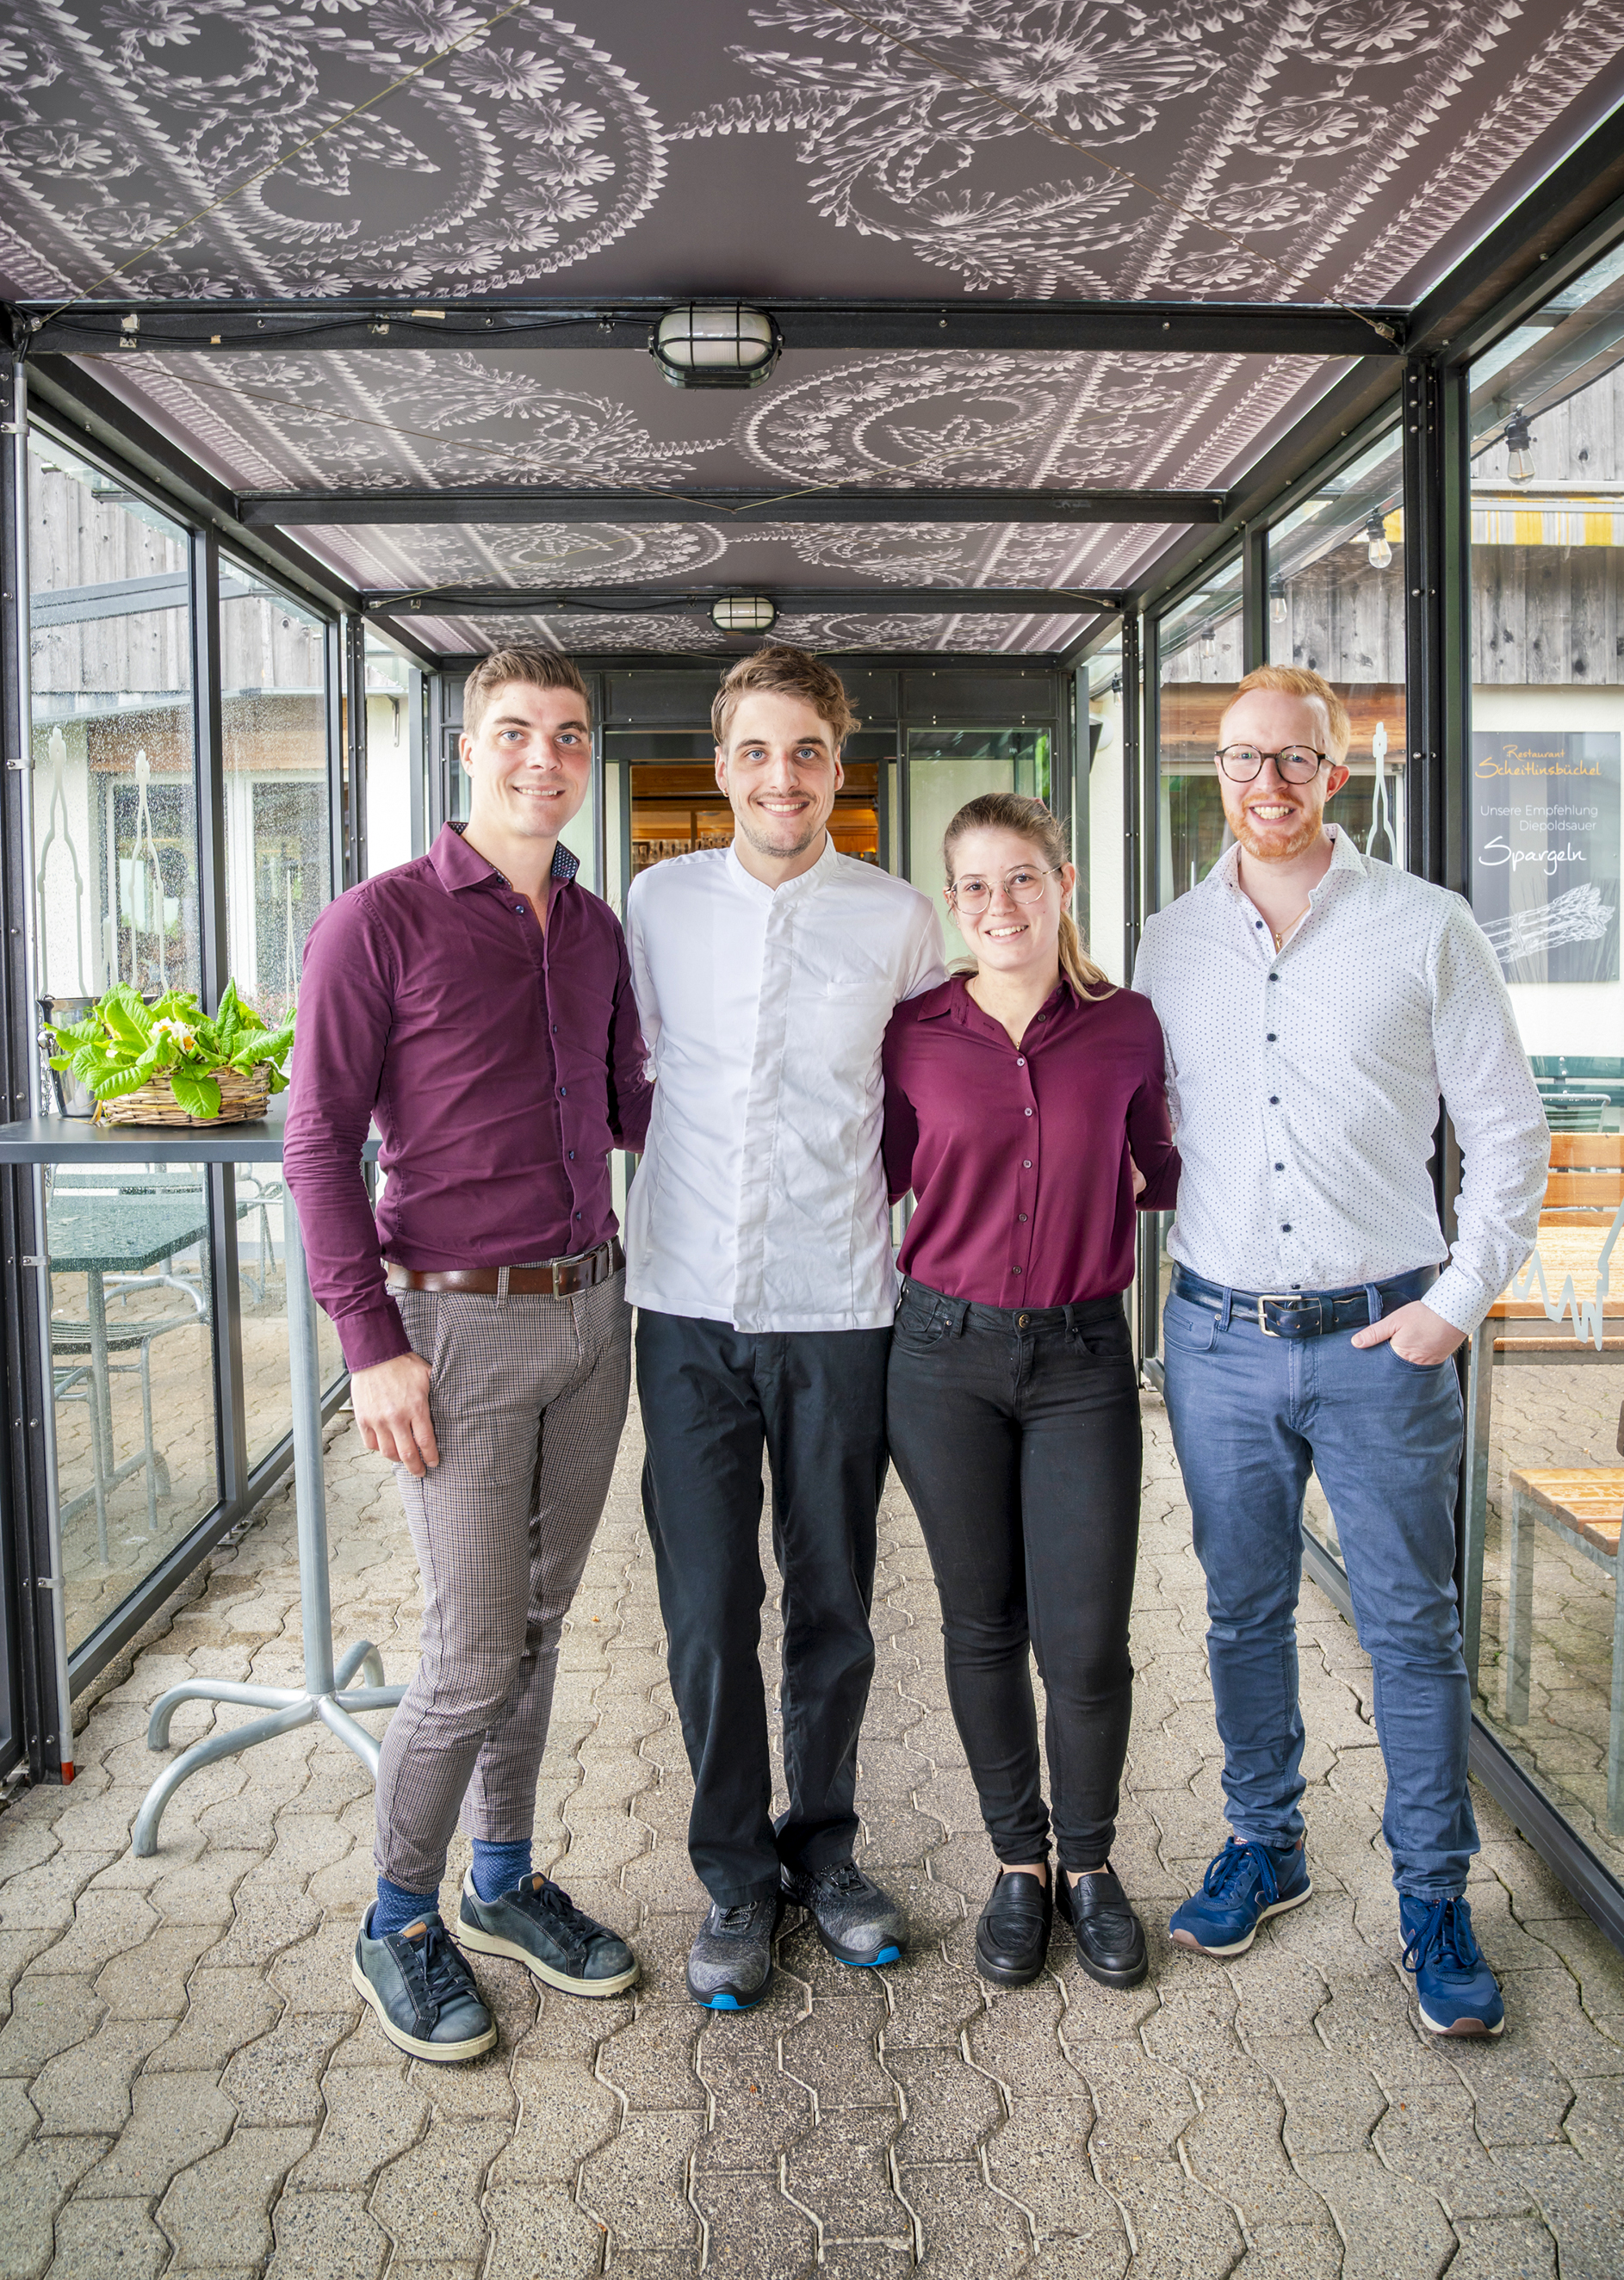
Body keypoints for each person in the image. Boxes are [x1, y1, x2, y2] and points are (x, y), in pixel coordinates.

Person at [1133, 662, 1549, 2040]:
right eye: (1244, 760)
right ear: (1217, 775)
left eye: (1294, 761)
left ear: (1338, 772)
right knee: (1240, 1609)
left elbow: (1508, 1137)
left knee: (1410, 1631)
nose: (1268, 784)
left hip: (1387, 1338)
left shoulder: (1425, 928)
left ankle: (1433, 1897)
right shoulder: (1164, 941)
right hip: (1218, 1337)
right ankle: (1268, 1841)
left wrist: (1454, 1302)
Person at [284, 648, 650, 2062]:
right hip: (453, 1324)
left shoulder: (597, 924)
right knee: (471, 1641)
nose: (541, 759)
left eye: (566, 735)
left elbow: (635, 1106)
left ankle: (502, 1878)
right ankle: (395, 1915)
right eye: (514, 734)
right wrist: (368, 1344)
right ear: (463, 749)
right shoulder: (375, 923)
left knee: (542, 1625)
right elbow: (315, 1141)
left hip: (590, 1310)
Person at [626, 646, 947, 2009]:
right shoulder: (656, 904)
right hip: (686, 1302)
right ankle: (731, 1877)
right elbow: (630, 1080)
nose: (781, 776)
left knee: (831, 1603)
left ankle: (822, 1850)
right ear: (722, 763)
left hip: (837, 1304)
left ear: (837, 763)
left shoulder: (897, 918)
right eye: (756, 751)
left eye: (805, 750)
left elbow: (926, 1109)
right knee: (707, 1608)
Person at [883, 794, 1178, 1993]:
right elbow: (869, 1173)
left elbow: (1165, 1166)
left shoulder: (1127, 1025)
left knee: (1086, 1637)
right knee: (980, 1624)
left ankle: (1091, 1867)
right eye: (973, 886)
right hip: (939, 1357)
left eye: (1021, 879)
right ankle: (1017, 1862)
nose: (998, 905)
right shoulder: (911, 1030)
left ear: (1062, 882)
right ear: (950, 902)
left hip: (1081, 1362)